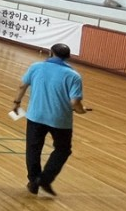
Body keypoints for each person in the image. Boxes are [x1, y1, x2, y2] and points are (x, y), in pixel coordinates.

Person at [14, 44, 87, 197]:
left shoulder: (36, 67)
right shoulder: (74, 76)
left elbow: (22, 86)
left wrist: (17, 103)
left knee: (33, 149)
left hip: (36, 116)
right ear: (68, 56)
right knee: (63, 150)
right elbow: (75, 102)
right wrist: (81, 110)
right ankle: (44, 179)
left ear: (51, 53)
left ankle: (34, 180)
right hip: (60, 120)